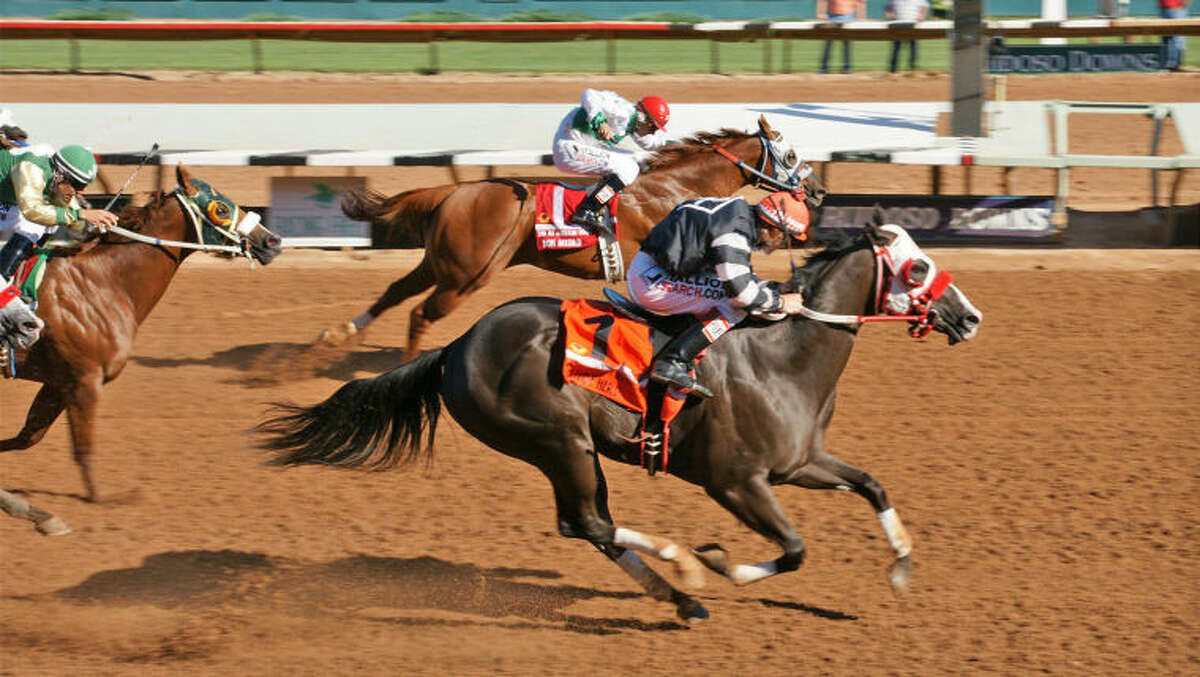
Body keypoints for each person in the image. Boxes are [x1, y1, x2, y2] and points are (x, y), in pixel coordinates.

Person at [627, 191, 810, 398]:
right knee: (735, 307)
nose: (780, 244)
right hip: (653, 281)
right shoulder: (735, 233)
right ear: (773, 229)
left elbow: (735, 277)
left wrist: (775, 288)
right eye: (784, 238)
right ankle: (673, 361)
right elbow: (742, 295)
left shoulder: (739, 214)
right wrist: (780, 302)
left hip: (656, 269)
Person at [551, 88, 672, 237]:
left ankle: (597, 198)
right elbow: (588, 93)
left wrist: (691, 148)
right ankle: (589, 209)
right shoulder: (621, 111)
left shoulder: (635, 125)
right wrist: (599, 120)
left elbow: (657, 144)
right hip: (568, 147)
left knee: (639, 159)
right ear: (643, 118)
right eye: (653, 127)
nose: (653, 132)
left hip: (581, 145)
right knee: (629, 168)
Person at [0, 144, 118, 282]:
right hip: (11, 204)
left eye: (84, 186)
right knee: (35, 224)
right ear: (61, 175)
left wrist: (91, 227)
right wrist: (81, 214)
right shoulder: (31, 168)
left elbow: (73, 218)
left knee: (54, 220)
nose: (81, 192)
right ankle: (2, 281)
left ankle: (20, 270)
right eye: (79, 185)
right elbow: (32, 211)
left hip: (8, 203)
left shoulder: (58, 178)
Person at [817, 0, 867, 74]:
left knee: (846, 43)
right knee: (828, 43)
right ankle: (824, 68)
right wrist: (821, 13)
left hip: (848, 16)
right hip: (832, 17)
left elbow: (861, 2)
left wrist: (862, 17)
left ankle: (846, 68)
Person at [886, 0, 930, 73]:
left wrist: (922, 15)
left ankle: (912, 67)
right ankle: (893, 69)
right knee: (896, 46)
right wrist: (890, 14)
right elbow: (887, 6)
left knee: (913, 45)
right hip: (898, 24)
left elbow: (925, 6)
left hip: (913, 24)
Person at [1160, 0, 1190, 71]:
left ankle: (1175, 63)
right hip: (1164, 10)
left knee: (1178, 38)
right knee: (1166, 38)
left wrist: (1183, 6)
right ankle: (1167, 63)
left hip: (1177, 10)